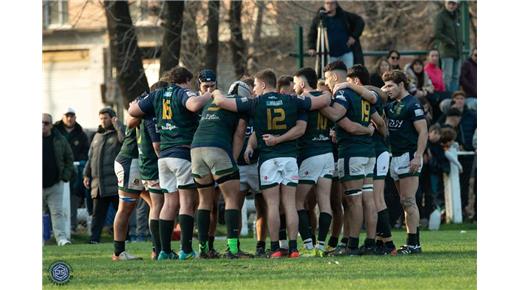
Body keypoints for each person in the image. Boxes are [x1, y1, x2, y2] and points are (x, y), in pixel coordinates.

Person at [213, 68, 332, 258]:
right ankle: (293, 248)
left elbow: (221, 102)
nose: (253, 89)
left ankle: (276, 248)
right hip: (290, 158)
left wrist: (215, 92)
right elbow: (323, 101)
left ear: (262, 84)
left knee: (272, 204)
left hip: (269, 159)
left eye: (254, 86)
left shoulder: (255, 102)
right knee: (290, 204)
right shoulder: (292, 100)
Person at [129, 67, 213, 260]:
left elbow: (133, 110)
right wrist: (207, 96)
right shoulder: (182, 92)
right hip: (182, 152)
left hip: (164, 157)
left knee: (168, 203)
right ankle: (185, 250)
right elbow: (193, 105)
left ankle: (164, 251)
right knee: (186, 202)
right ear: (185, 80)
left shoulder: (157, 94)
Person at [319, 61, 384, 256]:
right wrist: (373, 131)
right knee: (368, 199)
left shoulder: (342, 93)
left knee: (353, 201)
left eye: (329, 78)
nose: (328, 82)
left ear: (335, 77)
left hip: (352, 153)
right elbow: (379, 121)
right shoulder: (361, 94)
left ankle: (352, 245)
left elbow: (339, 116)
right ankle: (370, 243)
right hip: (368, 153)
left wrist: (318, 103)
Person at [190, 77, 250, 259]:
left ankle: (203, 249)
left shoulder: (210, 102)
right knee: (231, 198)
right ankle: (232, 249)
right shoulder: (240, 105)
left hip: (196, 150)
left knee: (204, 201)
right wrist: (232, 158)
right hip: (217, 149)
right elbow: (240, 134)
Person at [381, 70, 428, 254]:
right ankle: (411, 243)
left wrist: (418, 155)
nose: (387, 89)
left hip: (409, 156)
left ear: (401, 85)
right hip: (395, 156)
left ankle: (414, 244)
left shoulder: (412, 104)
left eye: (391, 85)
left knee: (409, 200)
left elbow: (423, 132)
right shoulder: (392, 105)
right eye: (385, 85)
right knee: (404, 201)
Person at [292, 67, 335, 257]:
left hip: (310, 155)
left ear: (302, 83)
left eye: (295, 83)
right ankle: (321, 246)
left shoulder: (303, 100)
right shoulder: (326, 97)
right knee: (324, 202)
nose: (293, 87)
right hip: (327, 154)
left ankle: (309, 246)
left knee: (296, 201)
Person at [112, 111, 152, 261]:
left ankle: (159, 249)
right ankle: (118, 252)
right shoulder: (143, 108)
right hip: (131, 161)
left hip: (136, 162)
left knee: (156, 205)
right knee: (125, 208)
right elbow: (131, 121)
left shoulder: (144, 106)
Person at [83, 107, 125, 244]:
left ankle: (126, 237)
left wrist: (118, 126)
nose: (102, 121)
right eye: (101, 118)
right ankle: (94, 239)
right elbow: (90, 158)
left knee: (122, 212)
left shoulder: (118, 132)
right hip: (99, 184)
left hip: (115, 182)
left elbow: (124, 141)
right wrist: (86, 175)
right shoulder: (96, 136)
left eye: (105, 118)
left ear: (112, 118)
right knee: (97, 215)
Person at [196, 69, 221, 258]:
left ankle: (209, 245)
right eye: (206, 86)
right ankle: (198, 246)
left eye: (212, 86)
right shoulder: (193, 103)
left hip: (215, 157)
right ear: (199, 85)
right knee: (197, 203)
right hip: (196, 157)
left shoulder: (219, 101)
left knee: (213, 204)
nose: (209, 90)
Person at [53, 107, 90, 233]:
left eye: (72, 115)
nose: (69, 118)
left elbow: (86, 152)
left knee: (73, 198)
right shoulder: (55, 132)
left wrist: (77, 163)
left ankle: (72, 226)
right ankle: (53, 229)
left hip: (74, 174)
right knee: (54, 201)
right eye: (67, 115)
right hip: (56, 173)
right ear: (63, 117)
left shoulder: (81, 134)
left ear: (75, 117)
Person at [43, 113, 74, 246]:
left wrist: (65, 176)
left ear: (51, 125)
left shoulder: (59, 139)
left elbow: (69, 158)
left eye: (46, 123)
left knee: (57, 213)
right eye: (40, 122)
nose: (43, 125)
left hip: (55, 183)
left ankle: (61, 239)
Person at [308, 0, 365, 67]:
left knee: (349, 75)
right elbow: (312, 34)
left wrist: (354, 36)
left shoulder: (344, 16)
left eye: (332, 3)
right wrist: (312, 47)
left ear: (336, 4)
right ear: (324, 4)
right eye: (327, 3)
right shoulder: (319, 19)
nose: (329, 5)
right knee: (331, 76)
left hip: (346, 53)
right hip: (329, 55)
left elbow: (360, 22)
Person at [434, 0, 464, 92]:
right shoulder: (440, 16)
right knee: (447, 76)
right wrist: (449, 41)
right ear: (445, 3)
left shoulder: (458, 15)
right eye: (449, 3)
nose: (451, 5)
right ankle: (446, 96)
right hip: (447, 51)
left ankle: (454, 96)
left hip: (458, 51)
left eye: (453, 3)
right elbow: (437, 33)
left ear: (456, 4)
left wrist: (461, 43)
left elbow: (459, 33)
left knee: (456, 76)